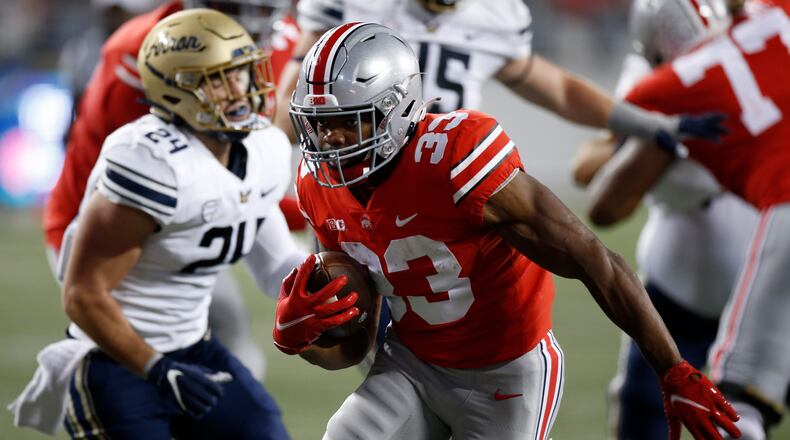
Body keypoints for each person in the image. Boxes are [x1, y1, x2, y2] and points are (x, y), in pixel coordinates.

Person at [271, 23, 741, 440]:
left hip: (507, 374)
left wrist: (672, 368)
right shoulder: (318, 186)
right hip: (411, 365)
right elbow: (355, 344)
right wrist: (306, 337)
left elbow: (591, 256)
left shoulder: (455, 159)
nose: (327, 143)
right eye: (318, 126)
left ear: (395, 110)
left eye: (344, 125)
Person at [12, 9, 301, 438]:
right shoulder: (152, 161)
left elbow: (278, 264)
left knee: (264, 429)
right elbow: (82, 294)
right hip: (115, 360)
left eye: (241, 73)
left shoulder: (263, 148)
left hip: (193, 346)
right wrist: (156, 368)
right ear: (176, 89)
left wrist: (335, 293)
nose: (239, 91)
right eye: (218, 79)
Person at [586, 1, 790, 438]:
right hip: (682, 285)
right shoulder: (655, 83)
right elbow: (592, 178)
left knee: (745, 406)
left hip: (762, 260)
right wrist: (660, 135)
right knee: (652, 418)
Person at [274, 0, 726, 150]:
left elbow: (562, 91)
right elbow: (296, 95)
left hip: (445, 175)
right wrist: (277, 141)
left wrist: (652, 125)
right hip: (358, 172)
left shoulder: (496, 13)